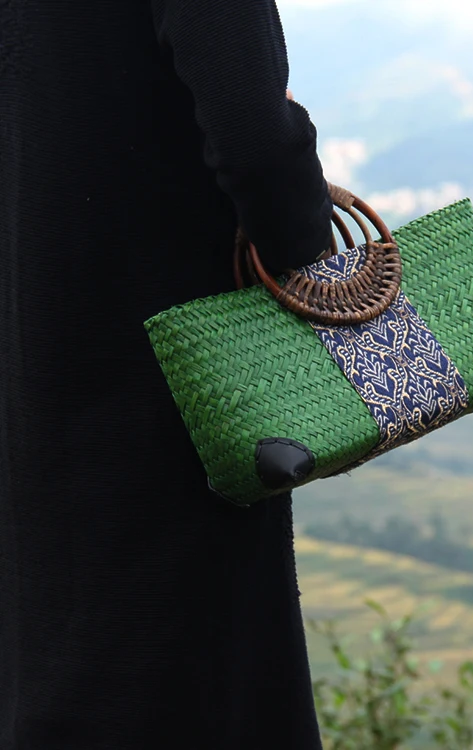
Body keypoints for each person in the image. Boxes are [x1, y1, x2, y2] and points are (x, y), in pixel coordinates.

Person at [0, 1, 333, 748]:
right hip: (181, 396)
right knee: (192, 681)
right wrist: (305, 236)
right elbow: (256, 143)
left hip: (36, 381)